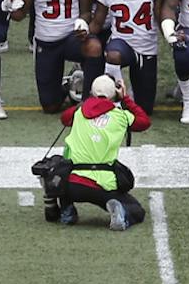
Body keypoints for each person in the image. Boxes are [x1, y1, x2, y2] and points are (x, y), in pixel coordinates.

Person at [52, 72, 152, 229]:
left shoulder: (79, 113)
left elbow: (65, 118)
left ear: (92, 92)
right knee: (136, 210)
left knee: (63, 165)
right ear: (114, 94)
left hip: (72, 184)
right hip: (102, 185)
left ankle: (67, 210)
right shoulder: (121, 116)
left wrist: (87, 102)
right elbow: (144, 122)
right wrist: (125, 99)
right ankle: (122, 213)